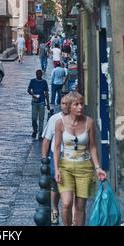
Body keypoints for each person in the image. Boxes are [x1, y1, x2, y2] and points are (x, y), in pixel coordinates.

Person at [53, 91, 107, 226]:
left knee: (80, 207)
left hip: (85, 168)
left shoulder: (89, 122)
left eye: (82, 104)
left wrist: (98, 167)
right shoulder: (60, 123)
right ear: (70, 106)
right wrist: (56, 169)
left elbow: (93, 147)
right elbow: (57, 147)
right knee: (66, 203)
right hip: (66, 167)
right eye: (76, 104)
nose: (80, 107)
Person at [42, 92, 69, 225]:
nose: (65, 106)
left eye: (68, 103)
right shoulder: (54, 119)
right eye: (63, 103)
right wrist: (44, 160)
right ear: (60, 104)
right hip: (56, 156)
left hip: (71, 157)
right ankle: (54, 209)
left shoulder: (78, 118)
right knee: (56, 185)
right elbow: (46, 141)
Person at [27, 70, 50, 141]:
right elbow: (28, 90)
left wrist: (48, 104)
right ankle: (35, 130)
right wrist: (33, 95)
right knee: (34, 119)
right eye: (37, 74)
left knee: (41, 119)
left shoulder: (44, 82)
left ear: (41, 75)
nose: (38, 76)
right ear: (36, 74)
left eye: (40, 74)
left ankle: (40, 135)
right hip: (34, 102)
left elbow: (46, 93)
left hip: (42, 102)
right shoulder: (32, 81)